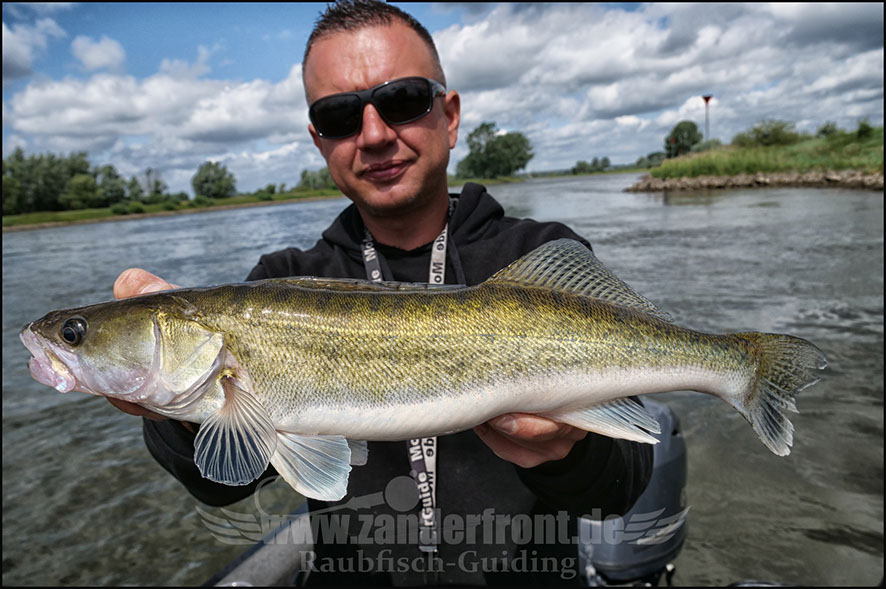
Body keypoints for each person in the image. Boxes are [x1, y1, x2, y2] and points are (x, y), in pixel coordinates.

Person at [111, 1, 652, 584]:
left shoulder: (538, 255)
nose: (373, 134)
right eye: (340, 115)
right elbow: (223, 485)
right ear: (319, 140)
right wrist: (183, 411)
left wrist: (570, 450)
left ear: (449, 114)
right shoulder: (276, 281)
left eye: (402, 101)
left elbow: (618, 492)